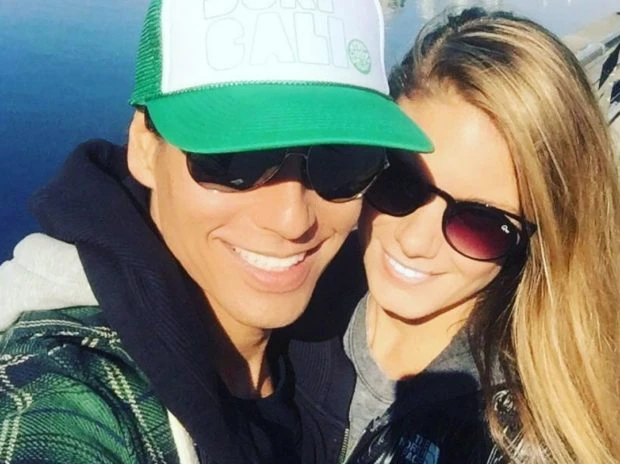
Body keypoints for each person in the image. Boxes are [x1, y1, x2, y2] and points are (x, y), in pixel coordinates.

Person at [0, 1, 432, 463]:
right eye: (234, 161)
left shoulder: (343, 322)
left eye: (342, 164)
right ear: (145, 148)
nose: (292, 220)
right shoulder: (64, 392)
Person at [288, 7, 620, 464]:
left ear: (540, 240)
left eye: (479, 222)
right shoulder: (285, 298)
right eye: (399, 182)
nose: (415, 242)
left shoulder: (521, 440)